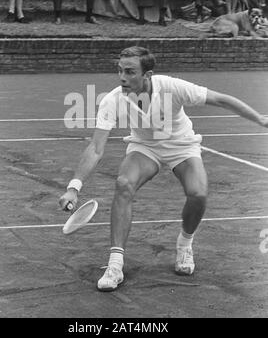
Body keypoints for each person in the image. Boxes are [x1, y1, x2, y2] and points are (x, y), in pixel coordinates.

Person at [59, 45, 268, 292]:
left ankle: (184, 244)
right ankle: (115, 264)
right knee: (123, 184)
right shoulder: (112, 100)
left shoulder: (172, 87)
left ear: (147, 74)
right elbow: (95, 148)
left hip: (182, 145)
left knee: (198, 194)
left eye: (130, 72)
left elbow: (221, 99)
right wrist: (74, 187)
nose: (122, 77)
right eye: (120, 71)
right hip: (144, 147)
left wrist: (262, 120)